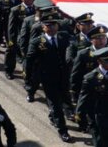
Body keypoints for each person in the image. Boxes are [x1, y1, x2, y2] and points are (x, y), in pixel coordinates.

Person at [24, 12, 73, 142]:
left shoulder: (64, 37)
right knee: (56, 104)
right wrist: (28, 78)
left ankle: (53, 116)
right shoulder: (37, 42)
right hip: (48, 78)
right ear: (43, 27)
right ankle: (63, 130)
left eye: (54, 25)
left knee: (65, 98)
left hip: (64, 77)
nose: (51, 28)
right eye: (48, 26)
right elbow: (29, 60)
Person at [76, 47, 108, 147]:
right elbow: (84, 98)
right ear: (99, 61)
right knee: (100, 143)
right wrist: (80, 114)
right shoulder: (90, 78)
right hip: (98, 116)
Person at [70, 23, 108, 105]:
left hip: (106, 91)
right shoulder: (83, 54)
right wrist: (74, 92)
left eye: (104, 37)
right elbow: (76, 74)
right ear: (92, 40)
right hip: (88, 90)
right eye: (98, 38)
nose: (102, 40)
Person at [6, 0, 35, 79]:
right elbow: (11, 27)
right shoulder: (16, 10)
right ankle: (9, 70)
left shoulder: (36, 9)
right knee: (11, 52)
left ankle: (29, 76)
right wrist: (11, 40)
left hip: (33, 37)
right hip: (20, 37)